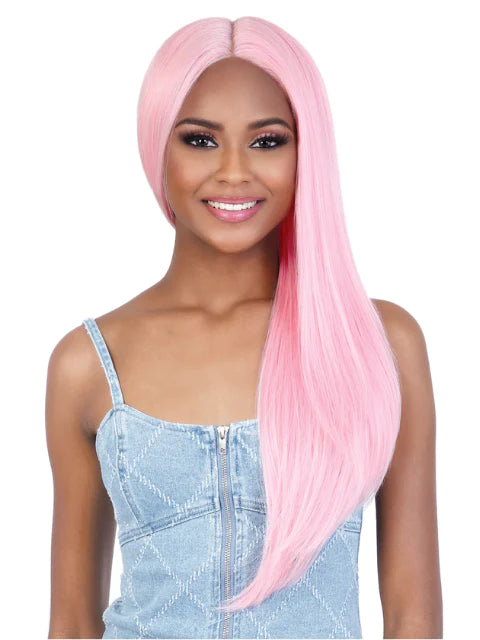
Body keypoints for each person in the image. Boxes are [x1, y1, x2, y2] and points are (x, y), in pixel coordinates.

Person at [46, 16, 442, 640]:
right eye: (201, 140)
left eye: (268, 141)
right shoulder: (89, 363)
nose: (234, 172)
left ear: (306, 153)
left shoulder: (378, 343)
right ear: (157, 148)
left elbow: (413, 611)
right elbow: (71, 622)